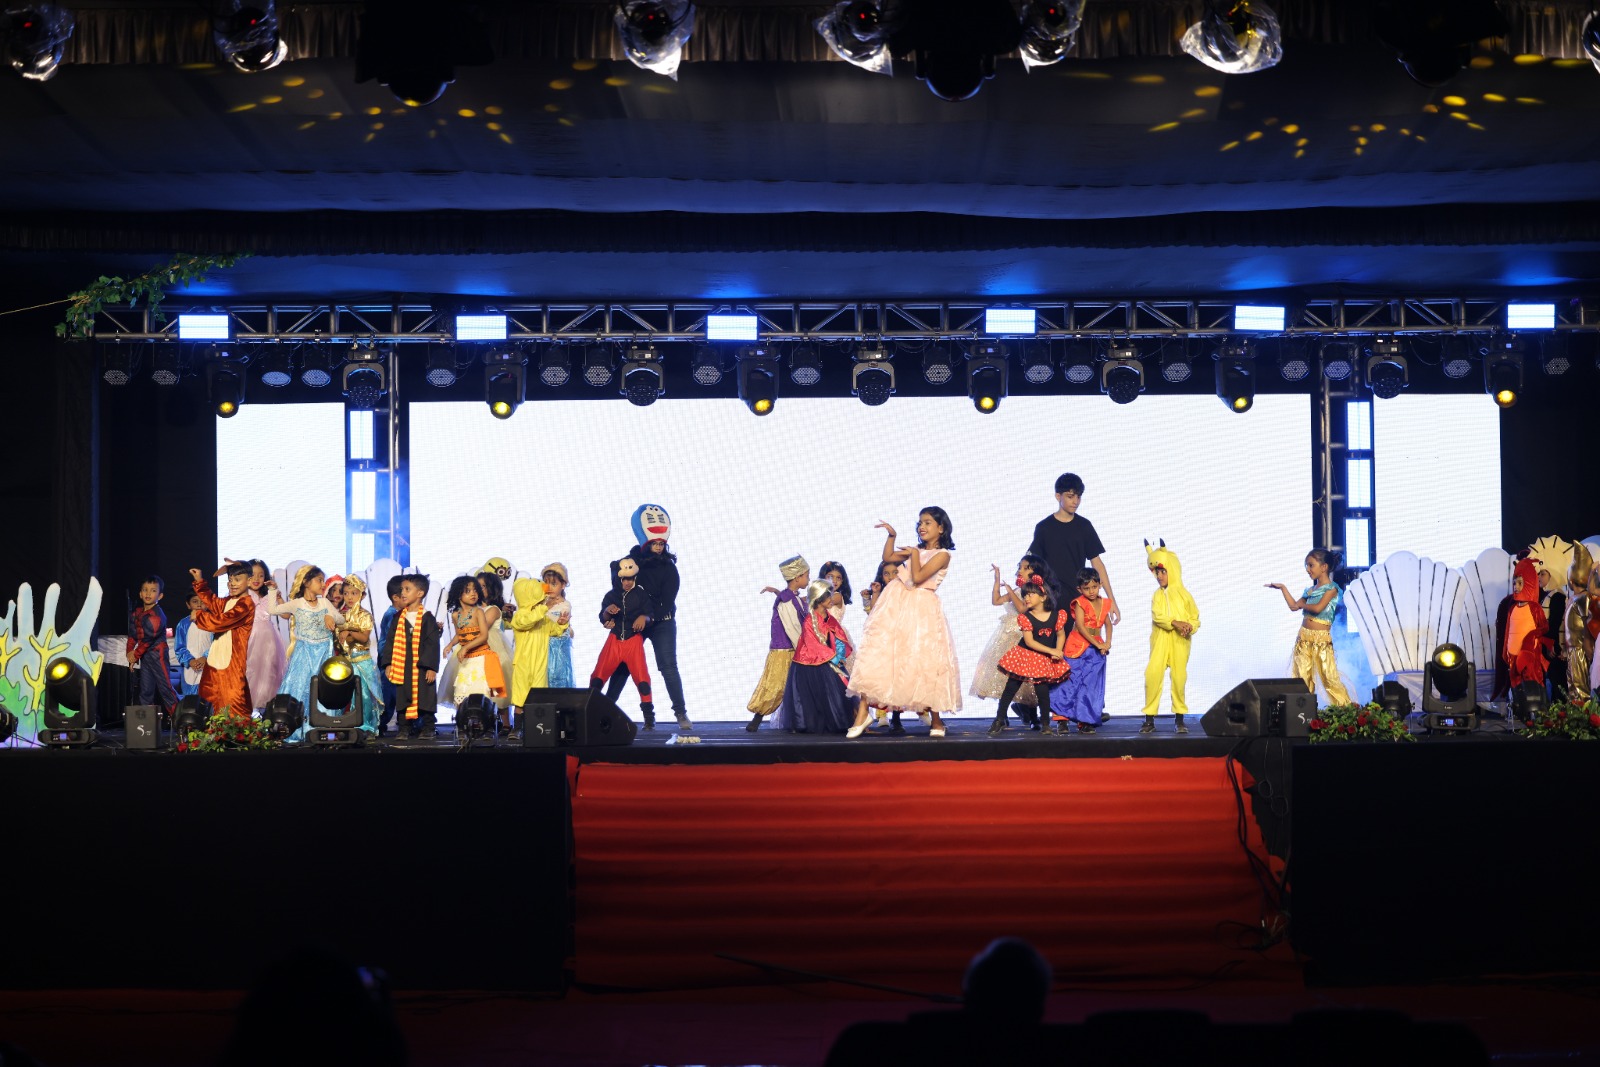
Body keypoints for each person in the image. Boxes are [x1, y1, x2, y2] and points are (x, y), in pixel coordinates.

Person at [846, 508, 963, 739]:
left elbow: (918, 578)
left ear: (941, 528)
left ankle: (936, 720)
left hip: (921, 608)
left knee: (926, 660)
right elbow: (888, 558)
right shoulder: (915, 550)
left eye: (927, 522)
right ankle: (863, 712)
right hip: (896, 604)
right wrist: (892, 536)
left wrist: (914, 555)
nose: (922, 526)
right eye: (920, 522)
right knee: (880, 654)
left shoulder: (942, 555)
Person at [606, 504, 690, 730]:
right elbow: (618, 584)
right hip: (636, 622)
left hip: (662, 621)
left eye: (662, 544)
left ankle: (681, 713)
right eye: (655, 543)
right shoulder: (632, 562)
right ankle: (604, 708)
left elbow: (667, 601)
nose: (659, 547)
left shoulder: (669, 568)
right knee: (622, 663)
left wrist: (647, 617)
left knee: (668, 666)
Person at [969, 554, 1056, 731]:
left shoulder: (1036, 592)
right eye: (1020, 567)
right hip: (1008, 634)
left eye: (1025, 568)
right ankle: (1002, 716)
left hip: (1024, 634)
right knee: (1005, 677)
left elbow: (1023, 609)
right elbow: (996, 601)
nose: (1020, 570)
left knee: (1029, 680)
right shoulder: (1017, 590)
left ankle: (1034, 716)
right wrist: (997, 579)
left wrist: (1010, 590)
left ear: (1036, 571)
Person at [1028, 472, 1119, 625]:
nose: (1075, 501)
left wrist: (1111, 600)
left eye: (1079, 497)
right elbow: (1031, 566)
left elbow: (1097, 563)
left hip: (1077, 600)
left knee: (1080, 639)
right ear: (1058, 496)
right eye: (1070, 496)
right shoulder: (1044, 528)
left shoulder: (1084, 526)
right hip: (1050, 601)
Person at [984, 574, 1069, 736]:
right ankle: (999, 719)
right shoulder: (1026, 618)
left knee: (1042, 691)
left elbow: (1060, 634)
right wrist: (1052, 651)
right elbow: (1029, 642)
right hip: (1024, 655)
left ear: (1043, 597)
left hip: (1042, 658)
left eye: (1031, 594)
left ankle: (1045, 723)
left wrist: (1058, 651)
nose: (1026, 598)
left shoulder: (1057, 615)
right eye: (1025, 595)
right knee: (1011, 688)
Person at [267, 565, 344, 741]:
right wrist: (272, 590)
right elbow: (273, 610)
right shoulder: (298, 603)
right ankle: (294, 730)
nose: (323, 584)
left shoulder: (324, 603)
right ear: (306, 582)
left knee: (322, 691)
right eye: (319, 580)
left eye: (323, 580)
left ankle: (322, 730)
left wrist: (330, 616)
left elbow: (340, 619)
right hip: (304, 653)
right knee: (299, 687)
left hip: (323, 653)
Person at [1267, 548, 1352, 706]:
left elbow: (1318, 608)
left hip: (1321, 639)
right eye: (1307, 565)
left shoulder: (1332, 589)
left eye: (1311, 565)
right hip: (1304, 637)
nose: (1308, 569)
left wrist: (1303, 605)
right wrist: (1283, 588)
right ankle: (1303, 711)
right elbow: (1294, 606)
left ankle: (1345, 710)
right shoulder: (1310, 591)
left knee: (1329, 678)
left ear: (1324, 567)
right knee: (1302, 678)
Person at [775, 580, 862, 733]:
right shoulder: (810, 620)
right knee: (812, 696)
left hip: (828, 659)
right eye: (828, 596)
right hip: (809, 664)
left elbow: (839, 636)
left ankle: (838, 722)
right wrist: (833, 657)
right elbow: (812, 644)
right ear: (819, 599)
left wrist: (839, 654)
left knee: (838, 690)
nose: (831, 599)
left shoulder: (829, 618)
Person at [1139, 540, 1199, 734]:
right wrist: (1175, 622)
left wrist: (1189, 626)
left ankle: (1179, 719)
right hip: (1160, 641)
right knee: (1153, 675)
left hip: (1180, 642)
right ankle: (1149, 719)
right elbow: (1158, 616)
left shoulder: (1184, 595)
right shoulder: (1157, 595)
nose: (1159, 576)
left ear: (1172, 569)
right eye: (1156, 572)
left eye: (1163, 571)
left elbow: (1195, 618)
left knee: (1179, 678)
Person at [589, 557, 656, 727]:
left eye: (630, 579)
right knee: (597, 678)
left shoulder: (641, 594)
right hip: (615, 640)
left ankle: (649, 719)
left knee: (642, 680)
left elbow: (650, 615)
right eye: (625, 579)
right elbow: (603, 617)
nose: (628, 582)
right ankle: (588, 713)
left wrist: (644, 617)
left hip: (633, 641)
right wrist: (607, 612)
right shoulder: (611, 595)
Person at [746, 555, 810, 732]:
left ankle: (799, 721)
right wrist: (804, 649)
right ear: (797, 577)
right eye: (806, 575)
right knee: (776, 686)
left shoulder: (792, 598)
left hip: (793, 649)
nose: (808, 579)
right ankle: (758, 716)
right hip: (785, 650)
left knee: (797, 687)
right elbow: (792, 626)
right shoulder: (787, 600)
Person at [189, 561, 257, 718]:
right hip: (215, 658)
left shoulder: (246, 605)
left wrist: (199, 616)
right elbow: (212, 601)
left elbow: (221, 621)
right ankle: (211, 730)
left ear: (249, 581)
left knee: (231, 699)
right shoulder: (228, 601)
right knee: (208, 696)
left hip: (231, 662)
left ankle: (235, 732)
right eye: (230, 579)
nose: (232, 583)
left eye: (237, 579)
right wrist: (199, 581)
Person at [1050, 567, 1113, 734]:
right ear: (1080, 589)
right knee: (1070, 681)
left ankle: (1085, 721)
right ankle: (1061, 720)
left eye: (1094, 587)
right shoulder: (1079, 603)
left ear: (1100, 585)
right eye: (1087, 588)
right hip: (1077, 645)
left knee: (1091, 684)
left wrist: (1107, 642)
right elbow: (1081, 626)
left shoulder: (1104, 603)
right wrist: (1098, 644)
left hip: (1096, 648)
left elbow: (1107, 624)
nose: (1091, 591)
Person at [379, 574, 440, 739]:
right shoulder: (398, 617)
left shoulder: (427, 617)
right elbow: (390, 641)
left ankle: (428, 727)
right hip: (403, 665)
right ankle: (404, 728)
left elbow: (432, 644)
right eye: (402, 589)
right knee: (403, 696)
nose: (403, 593)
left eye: (407, 589)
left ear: (420, 593)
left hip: (422, 666)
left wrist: (431, 667)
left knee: (425, 697)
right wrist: (388, 663)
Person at [510, 573, 570, 734]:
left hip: (540, 663)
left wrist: (561, 624)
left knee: (538, 696)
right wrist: (544, 608)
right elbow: (525, 622)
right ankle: (517, 729)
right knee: (521, 697)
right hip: (523, 663)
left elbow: (553, 631)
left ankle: (536, 729)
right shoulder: (520, 615)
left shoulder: (542, 616)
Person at [441, 575, 506, 711]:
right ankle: (462, 720)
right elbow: (459, 634)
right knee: (462, 690)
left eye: (475, 590)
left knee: (481, 691)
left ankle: (485, 719)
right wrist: (450, 645)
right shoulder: (455, 615)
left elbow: (484, 636)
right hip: (466, 660)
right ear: (458, 594)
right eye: (468, 591)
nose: (473, 594)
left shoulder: (478, 612)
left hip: (480, 657)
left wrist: (466, 648)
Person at [334, 575, 383, 735]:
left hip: (361, 661)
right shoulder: (340, 615)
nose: (349, 597)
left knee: (363, 695)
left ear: (362, 595)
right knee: (342, 695)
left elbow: (363, 638)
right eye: (346, 593)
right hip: (344, 662)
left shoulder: (365, 615)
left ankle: (365, 726)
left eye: (354, 593)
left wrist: (349, 631)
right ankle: (341, 725)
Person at [127, 574, 179, 717]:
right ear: (140, 593)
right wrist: (130, 653)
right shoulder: (136, 613)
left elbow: (147, 639)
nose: (148, 593)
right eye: (145, 590)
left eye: (153, 590)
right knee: (146, 690)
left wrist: (135, 655)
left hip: (157, 654)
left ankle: (179, 719)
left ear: (160, 596)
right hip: (145, 655)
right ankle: (146, 723)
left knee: (165, 688)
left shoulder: (157, 615)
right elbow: (133, 635)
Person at [243, 559, 286, 714]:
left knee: (268, 673)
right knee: (249, 671)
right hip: (249, 638)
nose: (256, 579)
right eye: (252, 575)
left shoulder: (269, 594)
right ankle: (246, 709)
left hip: (269, 640)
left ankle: (265, 710)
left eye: (260, 575)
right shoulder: (241, 594)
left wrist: (277, 595)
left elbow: (286, 614)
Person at [476, 566, 516, 729]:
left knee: (497, 687)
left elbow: (482, 627)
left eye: (483, 586)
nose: (478, 590)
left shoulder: (493, 610)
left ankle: (506, 724)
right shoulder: (473, 609)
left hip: (492, 650)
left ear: (492, 589)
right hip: (475, 650)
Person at [375, 575, 405, 737]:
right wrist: (389, 661)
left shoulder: (401, 613)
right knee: (389, 697)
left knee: (399, 695)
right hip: (390, 661)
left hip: (398, 661)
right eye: (404, 592)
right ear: (395, 597)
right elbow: (388, 641)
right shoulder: (391, 615)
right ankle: (377, 725)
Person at [542, 563, 575, 687]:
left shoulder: (565, 605)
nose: (549, 587)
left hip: (557, 648)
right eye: (546, 583)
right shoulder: (541, 602)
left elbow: (559, 624)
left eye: (554, 584)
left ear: (563, 585)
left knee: (556, 677)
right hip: (542, 645)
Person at [173, 589, 209, 698]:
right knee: (191, 701)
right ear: (188, 605)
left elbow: (217, 644)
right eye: (195, 601)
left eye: (202, 601)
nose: (199, 605)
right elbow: (179, 648)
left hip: (209, 668)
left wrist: (205, 657)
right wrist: (190, 661)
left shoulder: (214, 623)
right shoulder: (183, 624)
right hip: (190, 669)